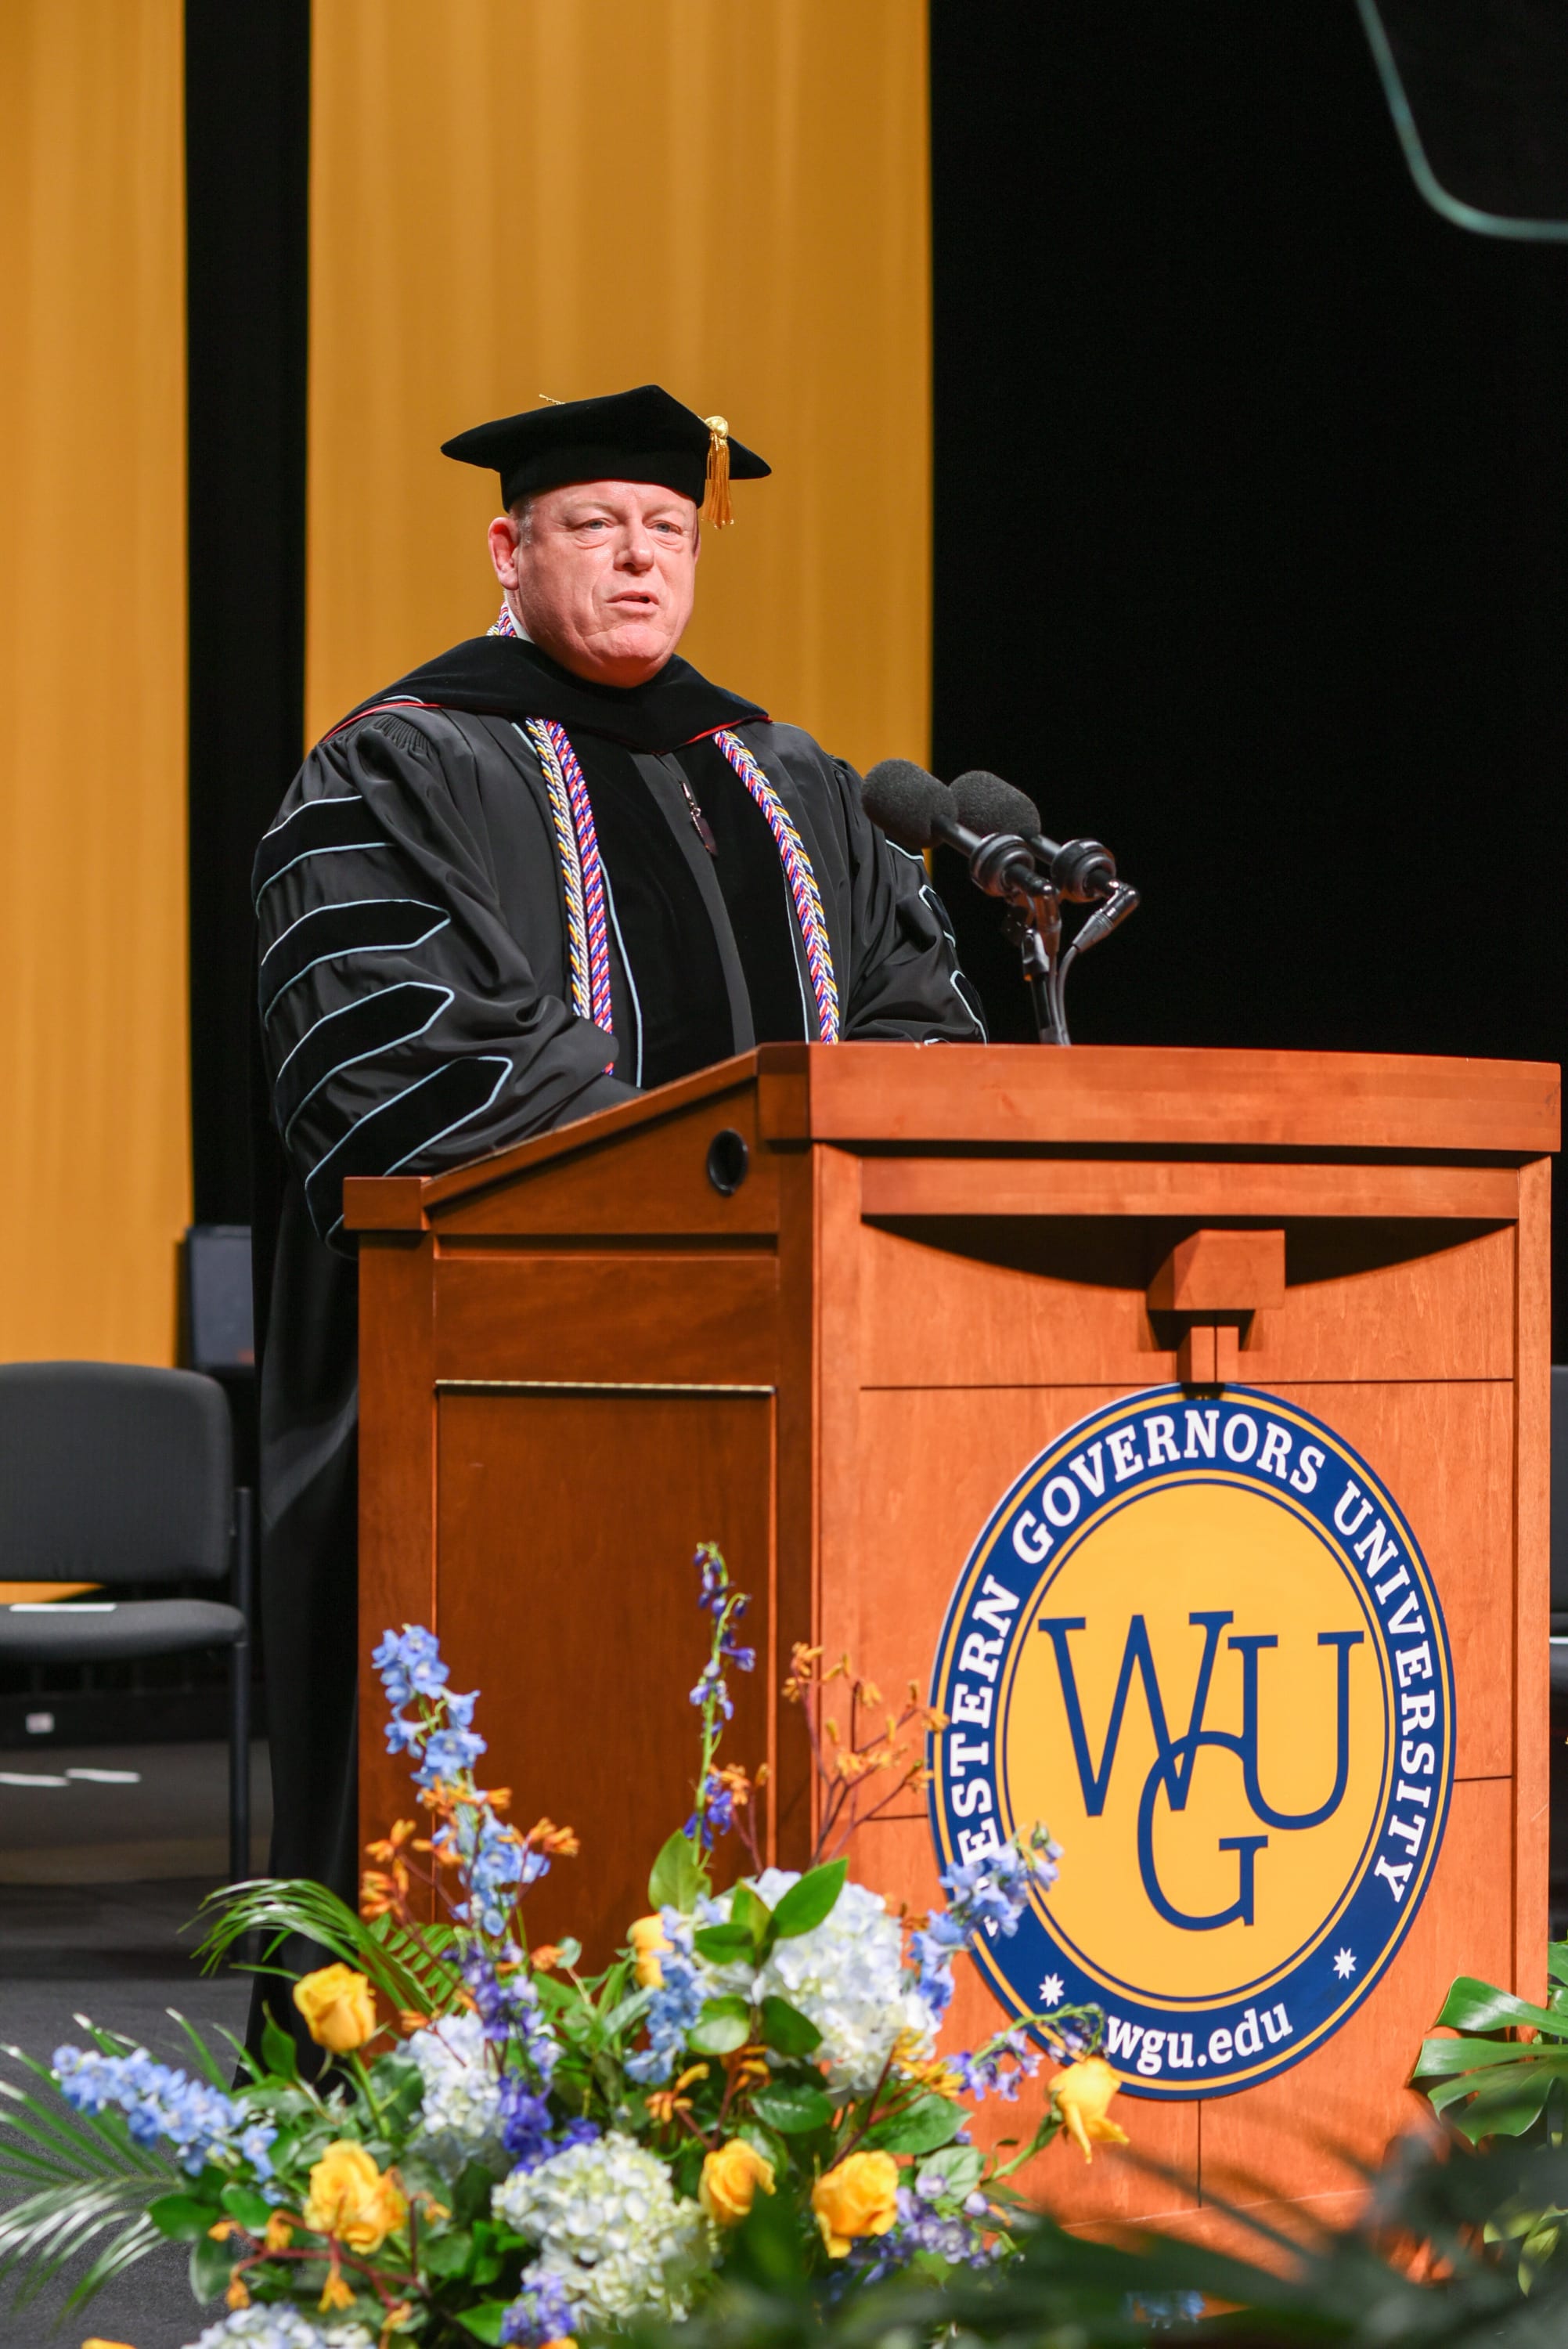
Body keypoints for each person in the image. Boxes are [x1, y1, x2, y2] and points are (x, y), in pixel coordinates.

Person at [250, 384, 985, 1958]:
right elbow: (400, 1066)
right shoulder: (396, 771)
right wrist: (716, 1167)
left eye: (667, 529)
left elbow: (920, 1027)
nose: (640, 561)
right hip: (497, 1394)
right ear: (509, 549)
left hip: (808, 1386)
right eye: (595, 527)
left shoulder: (795, 786)